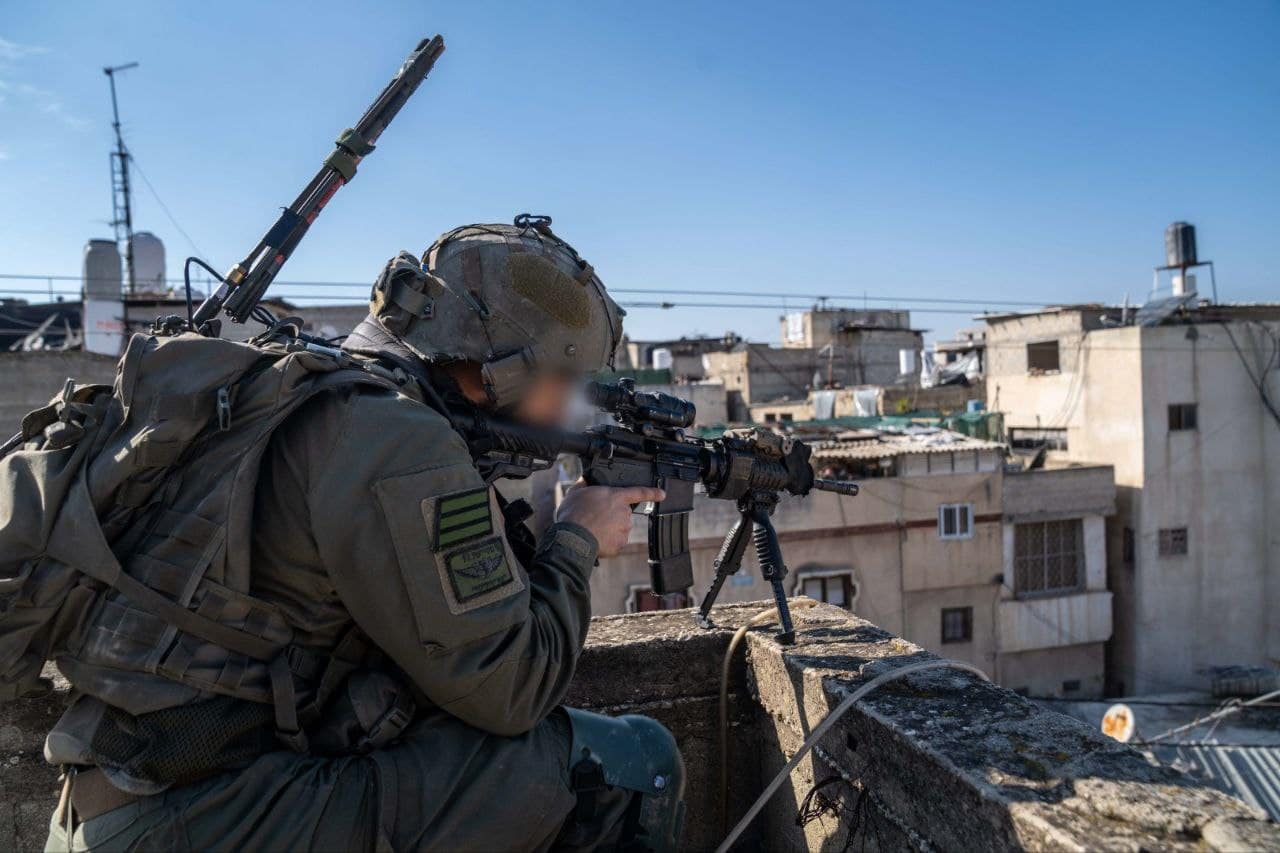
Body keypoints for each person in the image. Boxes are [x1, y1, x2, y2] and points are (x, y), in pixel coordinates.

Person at [44, 217, 686, 851]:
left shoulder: (306, 386)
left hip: (118, 802)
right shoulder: (397, 441)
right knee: (632, 761)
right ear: (506, 370)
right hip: (200, 816)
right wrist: (576, 538)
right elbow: (511, 691)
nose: (564, 407)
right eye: (562, 381)